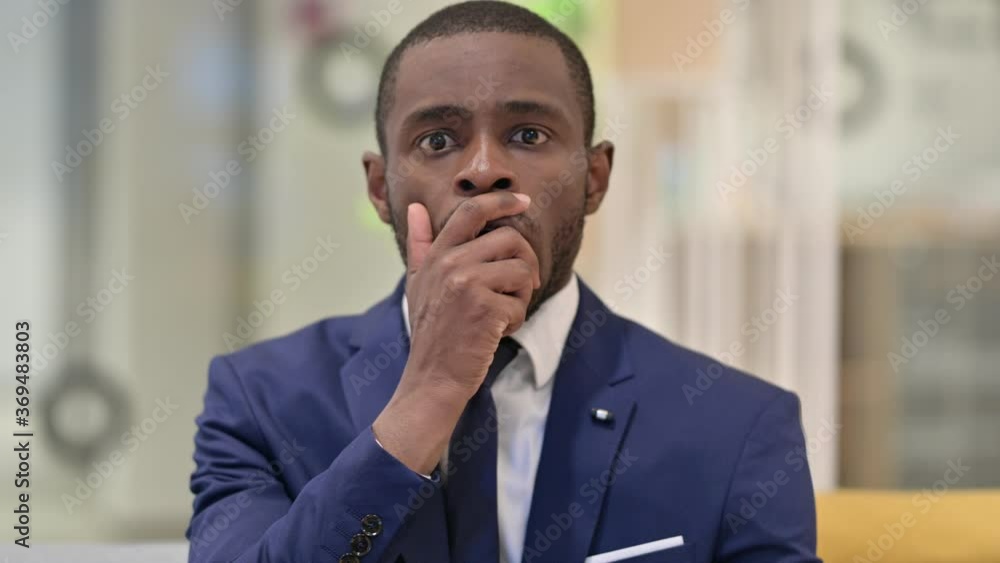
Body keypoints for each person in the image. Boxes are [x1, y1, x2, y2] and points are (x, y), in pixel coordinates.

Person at [186, 2, 820, 562]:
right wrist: (429, 394)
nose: (485, 169)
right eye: (438, 139)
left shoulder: (738, 426)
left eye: (528, 135)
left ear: (595, 178)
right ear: (380, 188)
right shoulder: (260, 402)